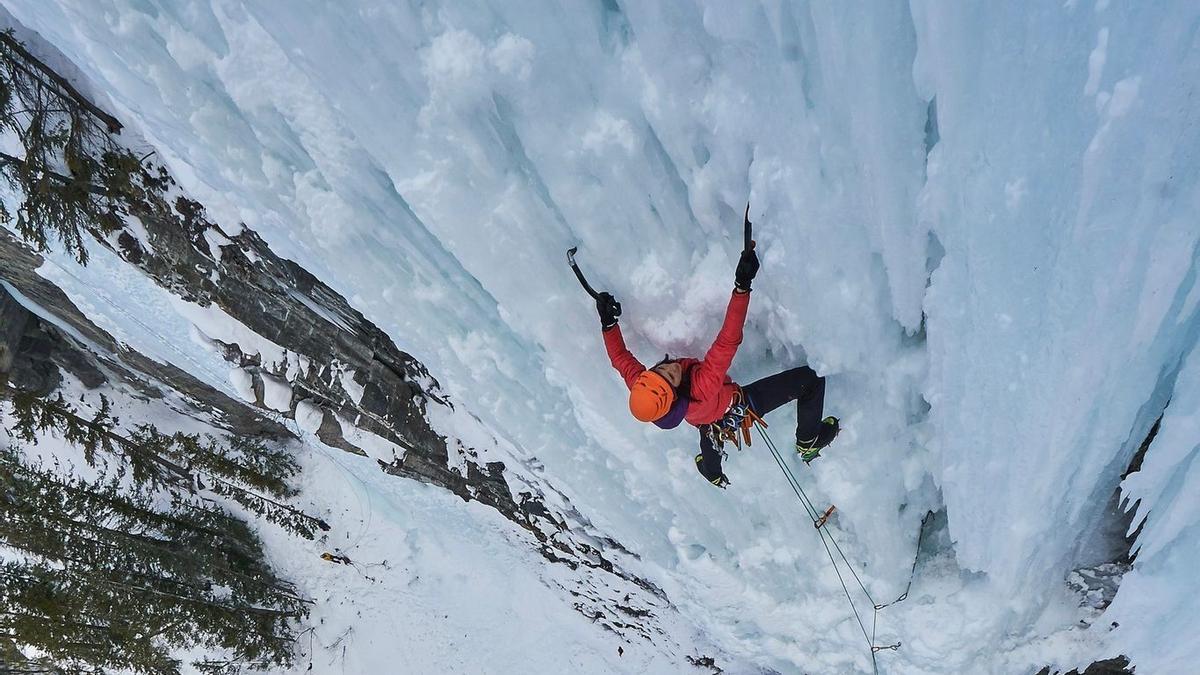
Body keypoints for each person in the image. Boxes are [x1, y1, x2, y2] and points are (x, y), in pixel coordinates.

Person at [595, 238, 838, 488]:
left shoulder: (648, 388)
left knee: (708, 437)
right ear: (675, 396)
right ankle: (808, 441)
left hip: (704, 419)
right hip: (740, 404)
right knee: (811, 380)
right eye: (670, 378)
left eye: (660, 369)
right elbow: (728, 341)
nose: (670, 368)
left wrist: (608, 323)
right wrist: (742, 287)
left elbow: (620, 360)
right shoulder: (703, 384)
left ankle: (712, 473)